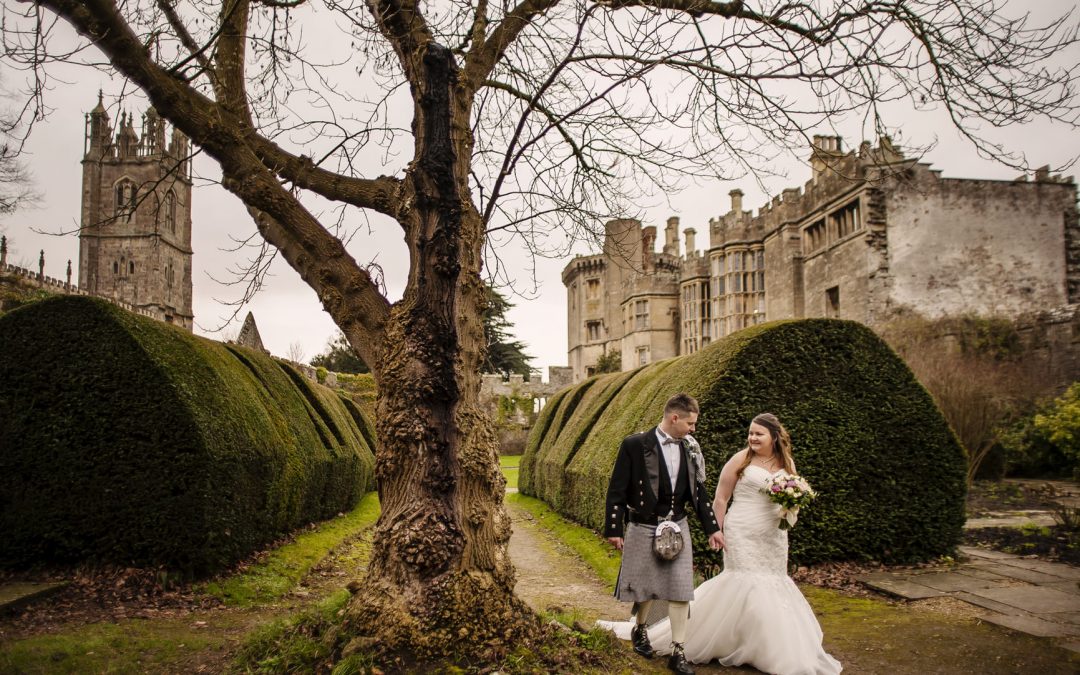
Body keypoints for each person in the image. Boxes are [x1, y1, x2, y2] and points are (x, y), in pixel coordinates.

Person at [601, 412, 842, 675]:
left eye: (758, 434)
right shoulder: (742, 459)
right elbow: (720, 498)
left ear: (774, 437)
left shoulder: (787, 463)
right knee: (744, 581)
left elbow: (795, 494)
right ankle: (683, 638)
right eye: (750, 432)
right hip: (741, 530)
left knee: (774, 581)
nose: (752, 437)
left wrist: (790, 505)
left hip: (773, 535)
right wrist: (716, 529)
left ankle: (758, 643)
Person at [603, 393, 724, 675]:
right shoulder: (635, 445)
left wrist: (712, 528)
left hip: (677, 525)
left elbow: (699, 492)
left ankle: (678, 651)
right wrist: (614, 528)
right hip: (644, 524)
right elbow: (616, 489)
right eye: (690, 423)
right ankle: (640, 629)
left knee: (681, 588)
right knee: (646, 587)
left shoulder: (691, 447)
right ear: (674, 418)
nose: (693, 429)